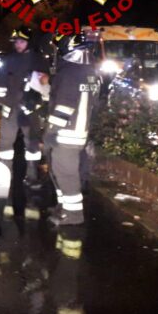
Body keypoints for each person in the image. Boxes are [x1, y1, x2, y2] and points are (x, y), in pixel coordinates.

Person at [45, 32, 99, 226]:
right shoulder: (90, 72)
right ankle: (63, 206)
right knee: (60, 171)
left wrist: (52, 131)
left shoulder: (69, 72)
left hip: (66, 134)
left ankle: (73, 215)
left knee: (65, 173)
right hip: (79, 132)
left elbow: (64, 105)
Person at [0, 28, 43, 217]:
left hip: (30, 112)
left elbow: (45, 85)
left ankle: (32, 176)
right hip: (10, 111)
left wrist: (35, 101)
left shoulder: (38, 60)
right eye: (16, 42)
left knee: (32, 144)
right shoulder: (8, 60)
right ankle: (6, 175)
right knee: (6, 145)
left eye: (21, 41)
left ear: (28, 42)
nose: (18, 44)